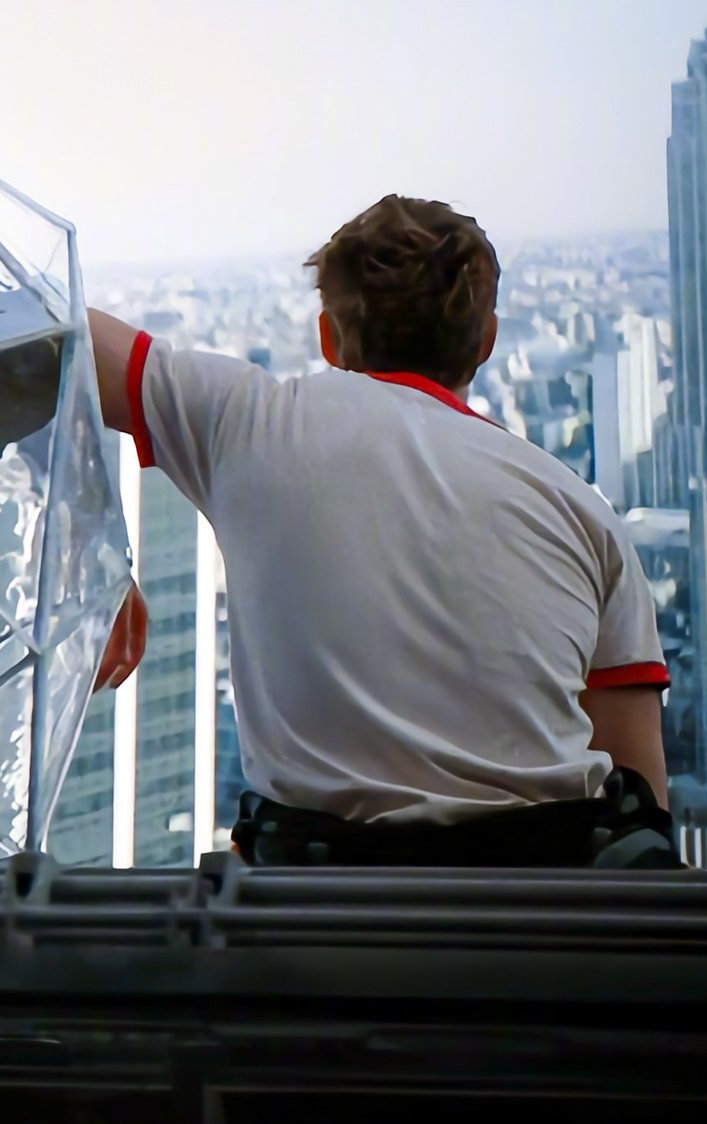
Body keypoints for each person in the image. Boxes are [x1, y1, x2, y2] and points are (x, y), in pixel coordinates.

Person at [88, 193, 675, 867]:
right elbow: (642, 797)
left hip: (314, 898)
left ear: (327, 337)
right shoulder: (583, 512)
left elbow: (51, 340)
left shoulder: (248, 421)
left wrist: (99, 553)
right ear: (485, 342)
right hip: (542, 900)